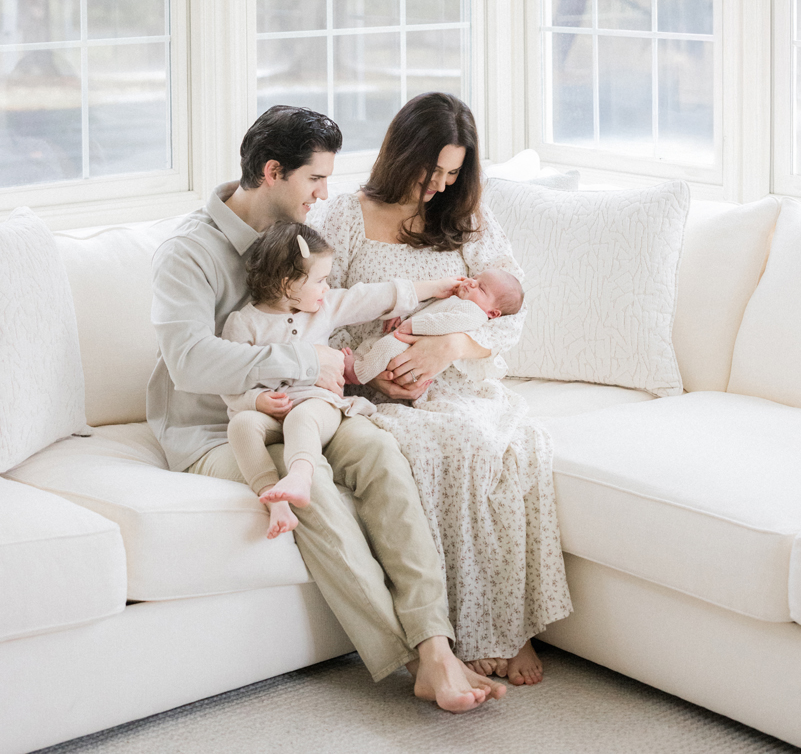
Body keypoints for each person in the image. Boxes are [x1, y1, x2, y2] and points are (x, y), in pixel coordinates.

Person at [147, 105, 504, 713]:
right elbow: (189, 361)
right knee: (315, 494)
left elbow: (348, 301)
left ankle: (436, 641)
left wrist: (424, 304)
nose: (326, 193)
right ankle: (418, 659)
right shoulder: (188, 253)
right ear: (272, 171)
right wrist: (302, 363)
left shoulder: (300, 244)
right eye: (315, 179)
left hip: (304, 409)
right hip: (222, 429)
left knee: (383, 455)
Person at [317, 92, 572, 687]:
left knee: (516, 445)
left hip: (459, 380)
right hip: (377, 384)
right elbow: (312, 313)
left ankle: (511, 628)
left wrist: (448, 347)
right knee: (446, 446)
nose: (438, 185)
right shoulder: (346, 217)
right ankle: (459, 634)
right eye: (430, 171)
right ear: (399, 154)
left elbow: (510, 316)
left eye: (453, 173)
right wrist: (368, 369)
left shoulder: (469, 219)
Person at [220, 218, 470, 537]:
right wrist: (255, 400)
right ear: (287, 285)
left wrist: (436, 288)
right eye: (321, 280)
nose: (328, 287)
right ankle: (275, 500)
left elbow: (374, 296)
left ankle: (299, 475)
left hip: (318, 405)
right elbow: (230, 382)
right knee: (240, 426)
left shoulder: (324, 308)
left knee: (303, 416)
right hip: (269, 416)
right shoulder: (244, 324)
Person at [346, 268, 523, 387]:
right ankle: (355, 362)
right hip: (404, 338)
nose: (471, 282)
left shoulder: (475, 313)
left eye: (481, 288)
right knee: (373, 345)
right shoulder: (454, 299)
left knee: (385, 348)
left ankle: (356, 375)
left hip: (412, 347)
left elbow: (443, 322)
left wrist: (413, 324)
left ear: (493, 313)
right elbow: (425, 308)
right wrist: (401, 312)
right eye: (475, 278)